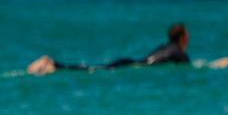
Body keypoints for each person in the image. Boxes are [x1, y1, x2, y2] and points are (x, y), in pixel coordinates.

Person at [28, 23, 196, 75]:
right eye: (188, 35)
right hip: (133, 64)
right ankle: (54, 64)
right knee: (95, 69)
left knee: (96, 67)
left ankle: (56, 65)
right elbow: (189, 67)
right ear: (182, 37)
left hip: (130, 61)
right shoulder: (179, 52)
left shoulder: (165, 46)